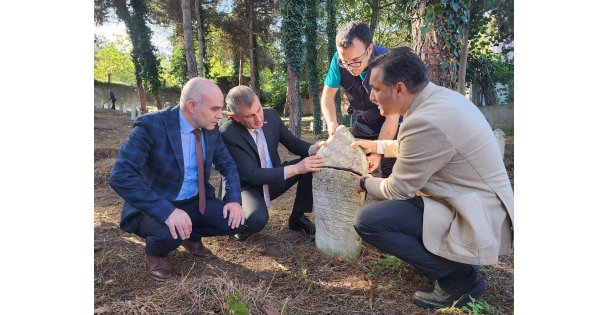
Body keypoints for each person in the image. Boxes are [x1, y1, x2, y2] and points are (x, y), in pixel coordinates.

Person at [350, 47, 514, 309]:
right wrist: (379, 147)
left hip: (476, 215)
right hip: (476, 203)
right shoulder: (439, 100)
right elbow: (427, 148)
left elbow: (397, 190)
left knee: (369, 221)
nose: (371, 96)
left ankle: (460, 277)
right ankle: (456, 261)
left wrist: (364, 183)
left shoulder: (425, 120)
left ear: (399, 89)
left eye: (376, 88)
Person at [109, 78, 246, 281]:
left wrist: (234, 200)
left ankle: (189, 235)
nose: (220, 115)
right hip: (156, 205)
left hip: (194, 200)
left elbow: (228, 165)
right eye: (215, 108)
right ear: (192, 105)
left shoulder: (211, 127)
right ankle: (156, 253)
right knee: (167, 234)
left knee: (236, 222)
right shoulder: (151, 125)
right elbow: (120, 175)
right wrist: (167, 211)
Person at [220, 85, 324, 241]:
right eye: (249, 116)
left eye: (258, 110)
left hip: (273, 180)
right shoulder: (228, 133)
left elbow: (293, 143)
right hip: (247, 187)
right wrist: (296, 168)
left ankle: (297, 218)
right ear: (236, 117)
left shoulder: (271, 115)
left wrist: (313, 149)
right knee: (257, 220)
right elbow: (252, 175)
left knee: (311, 164)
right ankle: (238, 225)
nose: (258, 118)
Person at [320, 20, 399, 178]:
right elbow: (327, 96)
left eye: (355, 60)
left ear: (369, 49)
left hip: (392, 124)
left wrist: (377, 152)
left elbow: (392, 119)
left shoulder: (389, 63)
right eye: (345, 62)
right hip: (364, 123)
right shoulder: (339, 59)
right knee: (347, 160)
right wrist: (331, 123)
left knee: (390, 171)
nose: (349, 67)